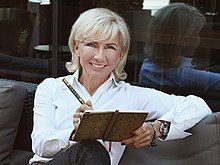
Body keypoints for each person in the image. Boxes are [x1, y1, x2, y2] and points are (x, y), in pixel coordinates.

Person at [29, 7, 212, 165]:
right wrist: (76, 132)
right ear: (76, 47)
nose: (100, 57)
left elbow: (198, 106)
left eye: (110, 47)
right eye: (91, 45)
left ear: (120, 54)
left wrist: (155, 129)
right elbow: (40, 145)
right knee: (90, 148)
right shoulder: (51, 87)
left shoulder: (133, 96)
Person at [139, 3, 220, 91]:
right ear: (184, 40)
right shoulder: (186, 75)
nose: (199, 39)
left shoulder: (146, 66)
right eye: (197, 33)